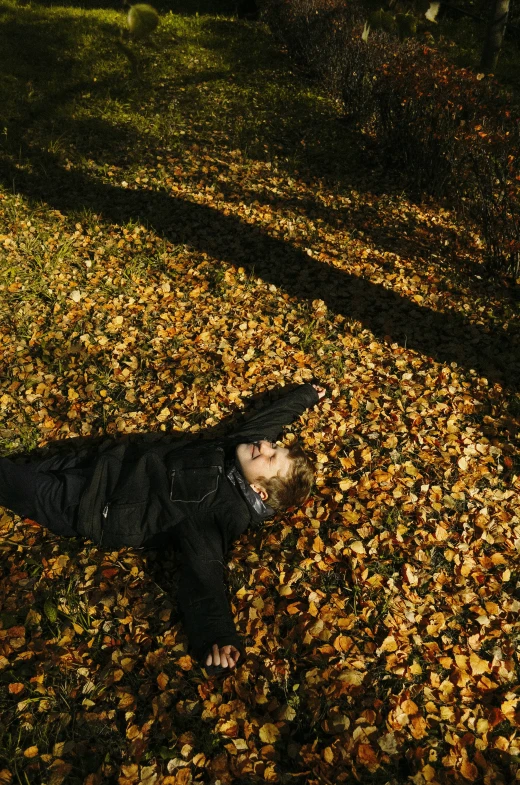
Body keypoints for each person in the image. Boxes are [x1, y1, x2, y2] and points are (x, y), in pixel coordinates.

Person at [0, 381, 325, 673]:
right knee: (18, 473)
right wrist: (305, 396)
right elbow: (268, 422)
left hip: (85, 505)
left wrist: (218, 636)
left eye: (270, 457)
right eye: (273, 447)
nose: (265, 446)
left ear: (259, 491)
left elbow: (206, 572)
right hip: (101, 463)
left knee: (11, 482)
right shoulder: (238, 455)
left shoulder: (219, 511)